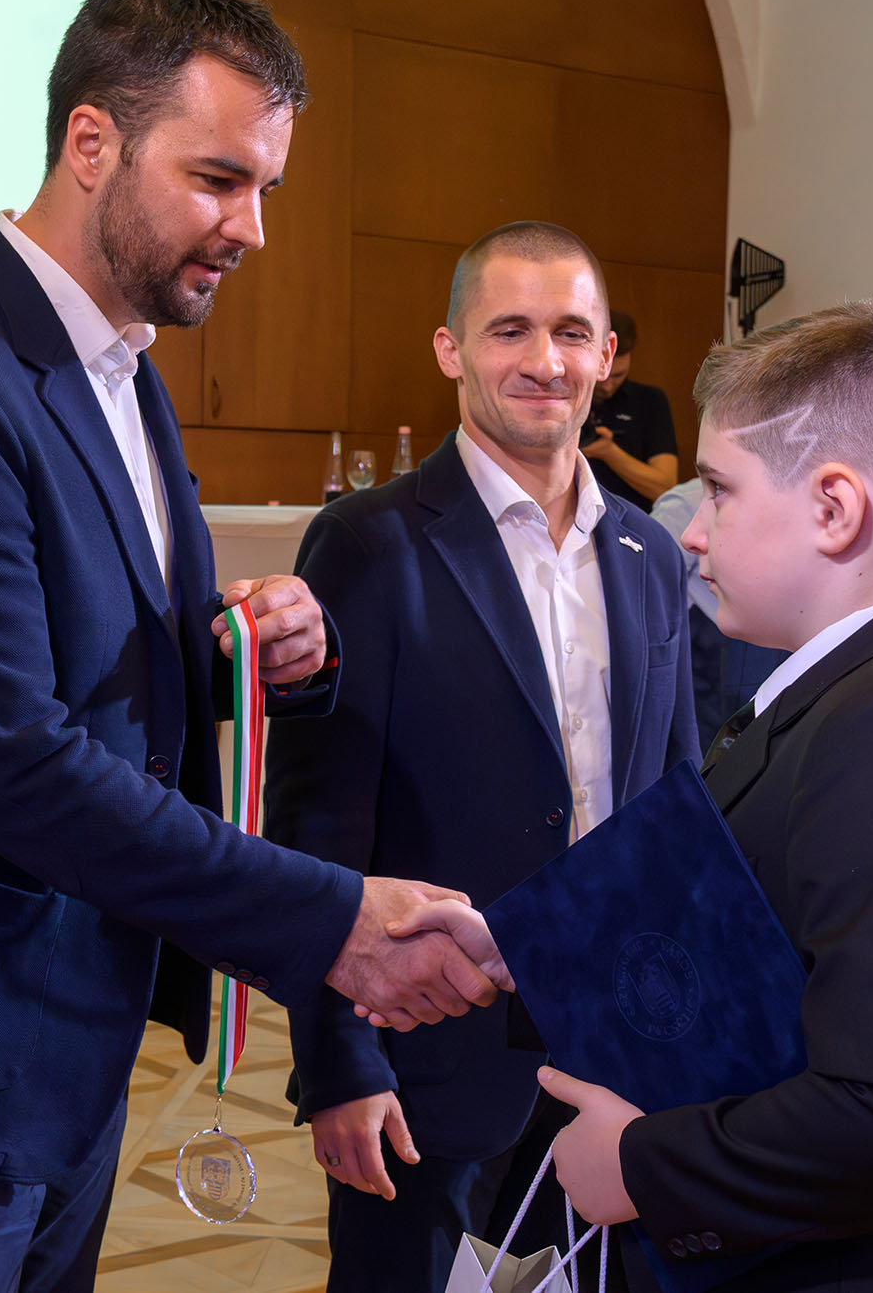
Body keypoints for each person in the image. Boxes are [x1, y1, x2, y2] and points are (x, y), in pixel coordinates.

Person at [0, 0, 506, 1290]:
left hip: (58, 1035)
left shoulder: (120, 367)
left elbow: (96, 659)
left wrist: (257, 652)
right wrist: (332, 917)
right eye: (217, 179)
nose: (251, 227)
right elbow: (15, 761)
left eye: (265, 188)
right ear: (92, 142)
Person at [487, 296, 873, 1290]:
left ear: (833, 509)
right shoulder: (841, 691)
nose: (693, 535)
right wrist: (513, 950)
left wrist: (642, 1166)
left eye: (720, 492)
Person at [265, 221, 698, 1293]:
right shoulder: (370, 543)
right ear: (450, 349)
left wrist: (681, 1038)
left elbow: (672, 813)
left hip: (608, 1054)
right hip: (426, 1054)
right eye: (509, 330)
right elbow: (319, 825)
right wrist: (338, 1065)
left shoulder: (650, 554)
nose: (543, 360)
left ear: (607, 356)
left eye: (571, 333)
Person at [650, 477, 785, 753]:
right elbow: (652, 585)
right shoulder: (682, 504)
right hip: (709, 646)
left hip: (761, 638)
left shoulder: (768, 491)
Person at [580, 310, 679, 511]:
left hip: (631, 520)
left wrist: (608, 452)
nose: (608, 386)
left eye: (618, 375)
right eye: (602, 376)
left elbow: (666, 488)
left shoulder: (649, 401)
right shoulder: (564, 398)